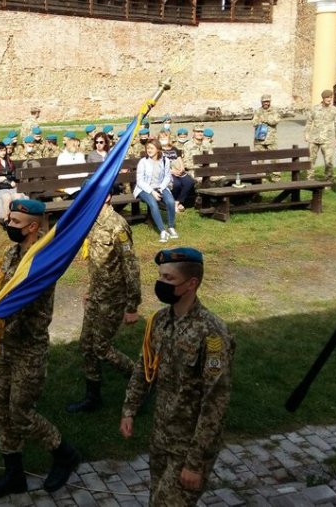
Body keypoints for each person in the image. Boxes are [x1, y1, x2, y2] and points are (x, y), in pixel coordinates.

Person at [0, 199, 81, 500]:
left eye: (15, 222)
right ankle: (14, 475)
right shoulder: (12, 253)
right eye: (9, 220)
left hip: (29, 347)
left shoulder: (42, 259)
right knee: (2, 410)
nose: (8, 226)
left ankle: (64, 454)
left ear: (33, 226)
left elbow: (13, 304)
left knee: (21, 413)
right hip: (7, 344)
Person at [120, 247, 234, 506]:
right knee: (156, 499)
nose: (160, 283)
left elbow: (215, 402)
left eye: (169, 278)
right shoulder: (160, 321)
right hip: (161, 438)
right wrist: (129, 409)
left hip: (189, 447)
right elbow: (143, 368)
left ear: (191, 284)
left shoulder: (213, 334)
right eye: (160, 276)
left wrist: (195, 462)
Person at [66, 190, 140, 413]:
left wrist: (132, 305)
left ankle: (141, 379)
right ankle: (93, 397)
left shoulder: (117, 226)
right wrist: (90, 289)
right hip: (96, 295)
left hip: (113, 298)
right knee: (86, 345)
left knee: (101, 348)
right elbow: (96, 264)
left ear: (107, 196)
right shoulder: (92, 222)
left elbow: (130, 265)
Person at [134, 141, 177, 242]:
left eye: (152, 148)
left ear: (158, 149)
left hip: (160, 187)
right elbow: (140, 181)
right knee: (153, 203)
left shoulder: (165, 160)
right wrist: (152, 192)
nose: (149, 150)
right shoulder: (143, 162)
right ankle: (162, 231)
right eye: (148, 148)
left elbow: (167, 176)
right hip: (144, 188)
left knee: (171, 202)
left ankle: (171, 227)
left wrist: (161, 188)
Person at [305, 89, 336, 181]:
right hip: (314, 139)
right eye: (327, 97)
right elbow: (309, 122)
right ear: (323, 98)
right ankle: (310, 179)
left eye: (331, 97)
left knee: (328, 161)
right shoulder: (315, 108)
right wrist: (306, 134)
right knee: (311, 159)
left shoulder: (334, 110)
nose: (329, 99)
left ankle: (328, 180)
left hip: (327, 139)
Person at [252, 93, 281, 181]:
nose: (266, 103)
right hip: (259, 140)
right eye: (264, 101)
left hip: (271, 139)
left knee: (274, 159)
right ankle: (261, 178)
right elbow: (254, 122)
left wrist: (264, 119)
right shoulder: (257, 111)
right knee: (259, 159)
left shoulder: (275, 110)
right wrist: (259, 121)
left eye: (267, 101)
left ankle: (276, 177)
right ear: (261, 102)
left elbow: (275, 121)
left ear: (270, 101)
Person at [0, 142, 19, 222]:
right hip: (0, 187)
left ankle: (16, 218)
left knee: (17, 196)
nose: (3, 152)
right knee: (6, 197)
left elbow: (13, 175)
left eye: (4, 150)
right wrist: (8, 181)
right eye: (1, 151)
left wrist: (4, 178)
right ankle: (6, 219)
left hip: (11, 186)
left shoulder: (9, 161)